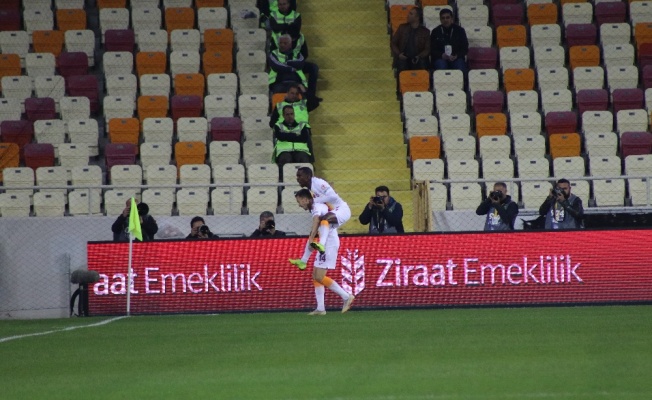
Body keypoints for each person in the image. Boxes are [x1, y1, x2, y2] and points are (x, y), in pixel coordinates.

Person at [289, 188, 355, 315]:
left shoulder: (316, 207)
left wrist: (312, 235)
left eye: (299, 201)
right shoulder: (316, 205)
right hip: (325, 242)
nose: (299, 204)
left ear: (305, 199)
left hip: (329, 244)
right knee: (315, 276)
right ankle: (320, 308)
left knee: (319, 276)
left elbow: (315, 223)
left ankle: (346, 296)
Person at [295, 167, 351, 254]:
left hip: (342, 209)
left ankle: (321, 245)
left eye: (299, 176)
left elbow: (333, 196)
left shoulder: (318, 183)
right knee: (317, 227)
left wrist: (315, 200)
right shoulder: (310, 189)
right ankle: (303, 260)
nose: (297, 179)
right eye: (297, 176)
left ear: (308, 176)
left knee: (324, 220)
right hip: (333, 211)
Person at [390, 6, 430, 73]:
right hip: (403, 57)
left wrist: (419, 56)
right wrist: (399, 54)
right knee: (401, 63)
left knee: (421, 63)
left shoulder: (425, 32)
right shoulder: (402, 28)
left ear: (417, 18)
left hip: (418, 58)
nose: (408, 15)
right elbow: (393, 43)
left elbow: (428, 49)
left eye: (411, 14)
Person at [430, 9, 469, 73]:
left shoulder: (460, 30)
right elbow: (432, 49)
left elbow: (465, 48)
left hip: (456, 58)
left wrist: (456, 55)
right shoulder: (435, 31)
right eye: (443, 18)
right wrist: (442, 55)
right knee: (441, 65)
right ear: (440, 20)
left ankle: (462, 83)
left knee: (460, 66)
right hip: (441, 58)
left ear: (452, 18)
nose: (445, 20)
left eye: (447, 17)